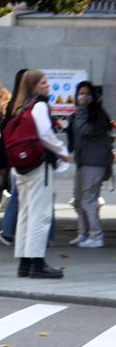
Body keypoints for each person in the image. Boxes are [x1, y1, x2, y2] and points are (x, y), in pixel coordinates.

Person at [7, 70, 69, 278]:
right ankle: (37, 263)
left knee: (25, 213)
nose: (47, 85)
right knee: (40, 215)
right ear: (34, 86)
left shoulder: (21, 106)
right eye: (43, 82)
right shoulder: (40, 105)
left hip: (22, 168)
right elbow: (45, 134)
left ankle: (24, 263)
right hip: (38, 168)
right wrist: (62, 151)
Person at [66, 81, 112, 249]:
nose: (82, 97)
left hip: (94, 163)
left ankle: (96, 235)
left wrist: (81, 110)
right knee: (78, 201)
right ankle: (83, 232)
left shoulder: (96, 115)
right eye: (80, 93)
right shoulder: (80, 113)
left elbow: (84, 130)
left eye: (86, 94)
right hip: (82, 162)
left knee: (88, 200)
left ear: (93, 97)